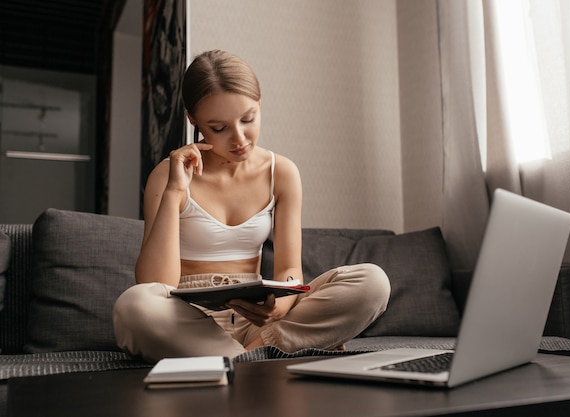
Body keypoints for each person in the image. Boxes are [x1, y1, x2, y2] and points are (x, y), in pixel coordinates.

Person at [113, 50, 391, 363]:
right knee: (133, 306)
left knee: (372, 282)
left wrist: (278, 307)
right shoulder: (168, 175)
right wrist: (175, 190)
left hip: (260, 323)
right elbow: (156, 284)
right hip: (188, 323)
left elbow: (289, 271)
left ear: (259, 104)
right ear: (193, 118)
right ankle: (264, 357)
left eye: (248, 119)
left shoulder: (282, 173)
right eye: (219, 128)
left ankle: (249, 355)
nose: (240, 139)